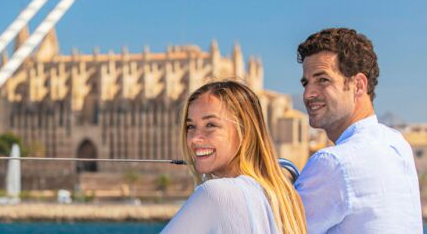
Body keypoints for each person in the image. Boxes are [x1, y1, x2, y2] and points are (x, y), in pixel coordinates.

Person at [294, 28, 422, 233]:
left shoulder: (332, 163)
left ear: (359, 85)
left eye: (323, 80)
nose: (308, 93)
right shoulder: (397, 144)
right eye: (305, 82)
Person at [163, 80, 306, 233]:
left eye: (210, 125)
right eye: (190, 126)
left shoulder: (216, 192)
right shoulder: (283, 198)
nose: (194, 139)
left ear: (244, 131)